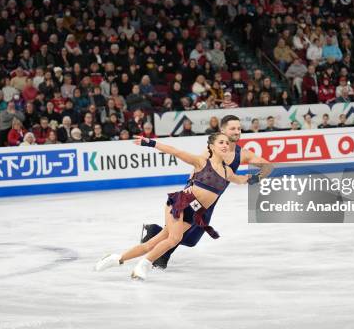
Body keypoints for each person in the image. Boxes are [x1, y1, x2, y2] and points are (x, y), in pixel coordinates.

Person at [95, 132, 257, 280]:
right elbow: (175, 151)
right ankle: (142, 266)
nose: (225, 145)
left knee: (152, 243)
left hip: (193, 212)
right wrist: (150, 143)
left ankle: (116, 259)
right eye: (221, 142)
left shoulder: (227, 171)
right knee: (175, 239)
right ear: (211, 147)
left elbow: (241, 180)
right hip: (182, 202)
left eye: (227, 143)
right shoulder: (201, 162)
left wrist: (256, 178)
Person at [139, 115, 271, 269]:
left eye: (239, 128)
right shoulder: (212, 150)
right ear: (222, 130)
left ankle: (153, 230)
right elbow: (196, 167)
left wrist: (255, 179)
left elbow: (268, 166)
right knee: (180, 232)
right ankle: (161, 256)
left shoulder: (243, 154)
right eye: (232, 128)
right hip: (194, 195)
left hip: (212, 200)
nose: (237, 131)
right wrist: (189, 185)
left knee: (191, 240)